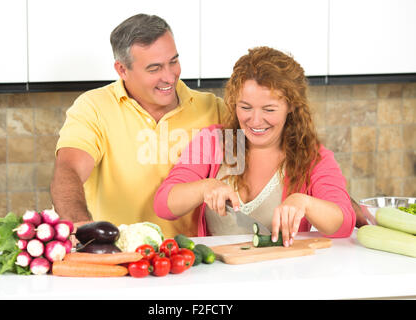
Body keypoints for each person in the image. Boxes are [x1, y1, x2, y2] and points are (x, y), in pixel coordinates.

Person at [154, 46, 357, 246]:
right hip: (215, 275)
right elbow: (163, 204)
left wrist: (304, 203)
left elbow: (344, 223)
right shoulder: (215, 141)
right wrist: (205, 187)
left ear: (291, 106)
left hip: (283, 274)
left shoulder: (312, 157)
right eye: (245, 107)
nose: (255, 120)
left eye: (269, 109)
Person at [50, 14, 227, 237]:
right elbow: (69, 170)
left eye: (173, 61)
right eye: (154, 69)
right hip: (120, 256)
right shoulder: (93, 108)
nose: (170, 77)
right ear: (122, 70)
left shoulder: (214, 109)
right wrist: (81, 226)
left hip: (193, 258)